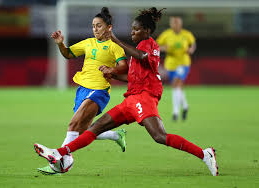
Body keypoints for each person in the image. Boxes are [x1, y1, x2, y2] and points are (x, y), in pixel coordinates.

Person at [34, 7, 218, 176]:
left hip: (144, 97)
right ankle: (59, 152)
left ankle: (204, 154)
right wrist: (111, 74)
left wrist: (114, 40)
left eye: (136, 29)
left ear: (146, 31)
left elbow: (143, 56)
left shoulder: (148, 45)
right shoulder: (137, 49)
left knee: (160, 137)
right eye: (132, 29)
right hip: (131, 98)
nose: (132, 32)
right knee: (94, 128)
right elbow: (131, 77)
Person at [37, 7, 128, 175]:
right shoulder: (88, 43)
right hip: (82, 90)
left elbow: (124, 67)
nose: (95, 29)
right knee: (82, 131)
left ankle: (58, 163)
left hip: (98, 91)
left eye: (99, 26)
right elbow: (68, 54)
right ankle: (117, 135)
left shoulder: (114, 47)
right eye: (93, 26)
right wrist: (60, 44)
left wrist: (110, 69)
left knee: (73, 125)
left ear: (109, 27)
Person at [156, 15, 196, 121]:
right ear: (171, 24)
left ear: (181, 24)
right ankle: (185, 106)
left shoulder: (187, 34)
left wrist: (191, 49)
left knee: (176, 83)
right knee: (178, 86)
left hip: (183, 62)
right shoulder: (166, 34)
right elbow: (156, 45)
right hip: (171, 63)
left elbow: (193, 44)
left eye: (177, 23)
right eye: (174, 23)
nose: (176, 25)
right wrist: (164, 47)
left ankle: (175, 112)